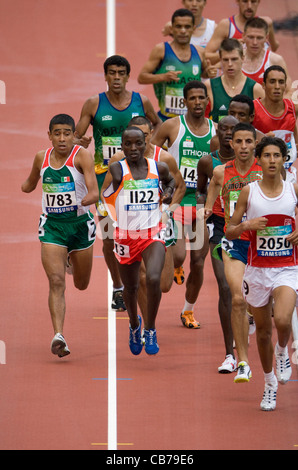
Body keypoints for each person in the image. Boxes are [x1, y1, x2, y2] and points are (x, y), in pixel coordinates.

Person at [75, 55, 161, 311]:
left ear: (127, 75)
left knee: (138, 234)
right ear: (105, 76)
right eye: (111, 72)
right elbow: (76, 136)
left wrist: (151, 145)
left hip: (136, 181)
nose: (116, 77)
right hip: (106, 182)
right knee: (110, 238)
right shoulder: (93, 104)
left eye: (121, 73)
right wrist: (81, 143)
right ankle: (118, 287)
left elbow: (156, 124)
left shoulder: (141, 101)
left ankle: (139, 283)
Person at [225, 136, 298, 410]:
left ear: (283, 160)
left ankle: (283, 351)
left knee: (282, 319)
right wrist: (248, 225)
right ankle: (269, 384)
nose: (271, 160)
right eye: (266, 156)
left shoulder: (294, 190)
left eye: (276, 156)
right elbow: (230, 230)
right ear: (260, 159)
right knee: (263, 332)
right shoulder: (249, 192)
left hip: (286, 268)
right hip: (257, 270)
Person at [21, 114, 99, 358]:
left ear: (74, 135)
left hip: (79, 226)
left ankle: (70, 261)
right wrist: (26, 186)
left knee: (81, 284)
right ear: (49, 135)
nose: (62, 138)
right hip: (53, 226)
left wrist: (87, 198)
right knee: (56, 281)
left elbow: (94, 190)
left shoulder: (82, 156)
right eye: (57, 133)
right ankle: (59, 335)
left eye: (67, 133)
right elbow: (30, 183)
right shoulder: (40, 158)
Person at [101, 115, 186, 324]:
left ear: (149, 136)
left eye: (144, 137)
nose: (139, 144)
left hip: (158, 222)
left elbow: (179, 186)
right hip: (129, 230)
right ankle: (146, 325)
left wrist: (167, 210)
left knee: (163, 284)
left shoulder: (163, 159)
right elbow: (106, 192)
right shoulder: (117, 163)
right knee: (139, 278)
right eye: (130, 141)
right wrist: (111, 217)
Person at [152, 80, 214, 328]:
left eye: (202, 98)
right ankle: (176, 267)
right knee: (178, 255)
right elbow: (149, 154)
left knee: (198, 263)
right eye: (193, 98)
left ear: (207, 101)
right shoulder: (172, 126)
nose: (198, 102)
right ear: (185, 101)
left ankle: (188, 310)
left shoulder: (217, 132)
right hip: (176, 201)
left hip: (201, 205)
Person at [204, 122, 263, 382]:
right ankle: (237, 358)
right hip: (230, 238)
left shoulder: (265, 171)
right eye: (238, 142)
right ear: (231, 143)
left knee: (261, 302)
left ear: (255, 144)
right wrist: (206, 209)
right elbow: (213, 190)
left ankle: (278, 349)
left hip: (262, 242)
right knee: (232, 294)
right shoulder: (220, 171)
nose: (242, 146)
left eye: (248, 142)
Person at [197, 115, 238, 372]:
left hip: (250, 231)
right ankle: (229, 353)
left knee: (244, 293)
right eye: (224, 128)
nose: (228, 134)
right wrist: (205, 209)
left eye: (234, 130)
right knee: (225, 287)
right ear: (218, 131)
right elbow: (200, 190)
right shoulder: (208, 162)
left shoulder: (255, 165)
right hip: (220, 229)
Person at [137, 8, 216, 122]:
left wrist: (209, 73)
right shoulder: (161, 50)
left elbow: (203, 72)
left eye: (187, 27)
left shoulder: (199, 52)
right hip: (167, 118)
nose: (183, 31)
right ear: (172, 28)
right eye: (178, 26)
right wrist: (163, 77)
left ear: (193, 29)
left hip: (193, 118)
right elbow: (142, 77)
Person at [252, 65, 298, 183]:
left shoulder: (293, 109)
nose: (277, 86)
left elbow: (295, 142)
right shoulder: (253, 109)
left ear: (285, 86)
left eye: (281, 82)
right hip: (258, 173)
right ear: (263, 85)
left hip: (286, 174)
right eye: (272, 82)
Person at [205, 38, 264, 122]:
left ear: (243, 58)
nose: (230, 64)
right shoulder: (209, 86)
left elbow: (261, 123)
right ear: (220, 60)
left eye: (234, 59)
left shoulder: (256, 89)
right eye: (225, 60)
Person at [205, 0, 279, 65]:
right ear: (237, 1)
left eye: (253, 1)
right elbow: (205, 55)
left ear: (258, 2)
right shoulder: (226, 25)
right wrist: (229, 51)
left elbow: (275, 47)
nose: (249, 6)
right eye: (245, 1)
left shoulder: (266, 23)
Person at [242, 18, 292, 91]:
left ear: (266, 38)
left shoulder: (276, 60)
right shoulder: (234, 57)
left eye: (259, 38)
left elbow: (289, 91)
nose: (255, 42)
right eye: (251, 37)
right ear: (244, 36)